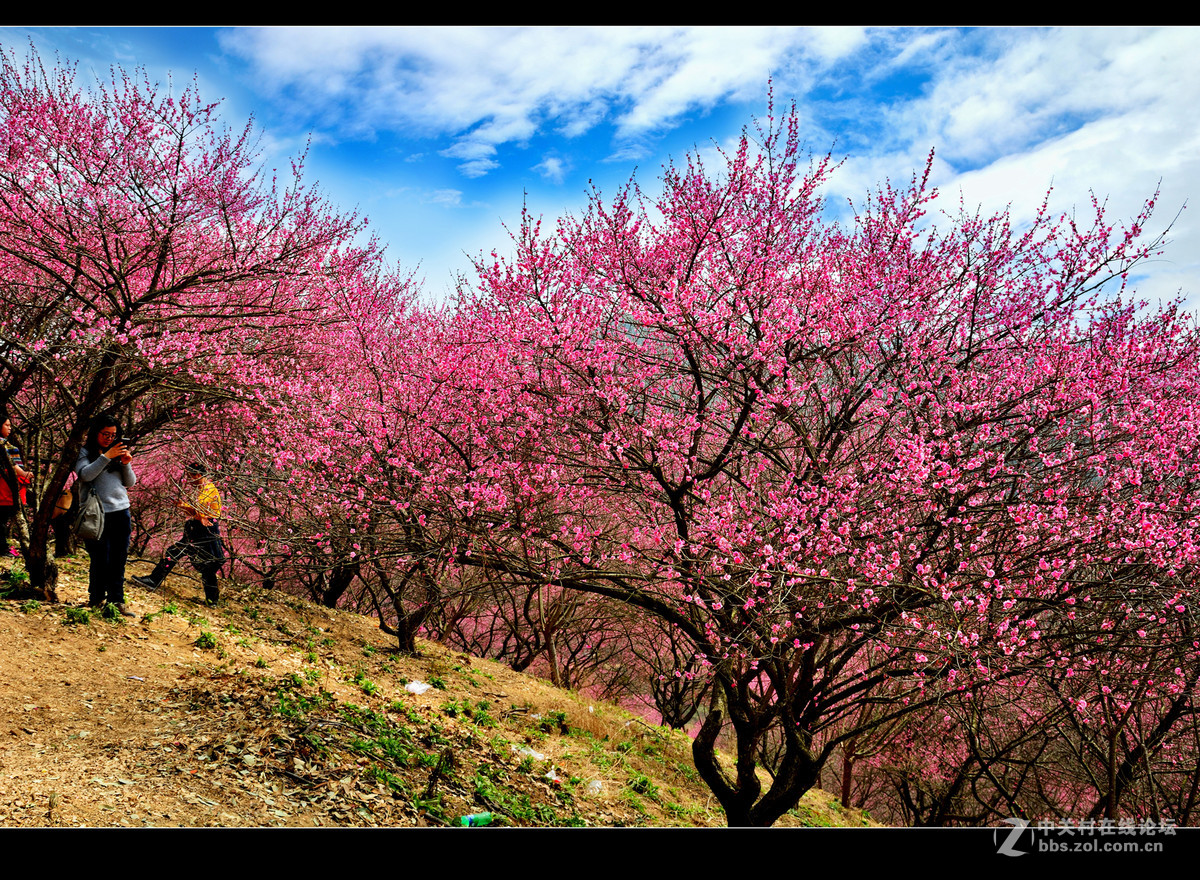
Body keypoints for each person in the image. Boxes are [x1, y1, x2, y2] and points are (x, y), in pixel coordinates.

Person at [133, 462, 225, 605]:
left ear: (198, 475)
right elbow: (197, 511)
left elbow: (200, 508)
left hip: (205, 530)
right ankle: (212, 600)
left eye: (190, 476)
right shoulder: (202, 488)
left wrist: (196, 513)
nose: (189, 480)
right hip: (199, 528)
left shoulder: (208, 489)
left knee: (200, 562)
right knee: (187, 558)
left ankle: (153, 581)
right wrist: (184, 506)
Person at [76, 415, 136, 615]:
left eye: (113, 435)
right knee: (100, 558)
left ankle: (116, 601)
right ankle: (96, 598)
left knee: (119, 559)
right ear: (96, 433)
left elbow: (130, 483)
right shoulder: (85, 452)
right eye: (105, 434)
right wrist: (106, 456)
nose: (109, 438)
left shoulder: (117, 454)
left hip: (121, 512)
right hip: (97, 515)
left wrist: (125, 462)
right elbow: (85, 474)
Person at [0, 410, 33, 557]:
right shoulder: (3, 445)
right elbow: (12, 465)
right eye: (6, 425)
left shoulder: (6, 444)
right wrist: (25, 474)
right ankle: (2, 548)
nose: (10, 428)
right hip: (4, 490)